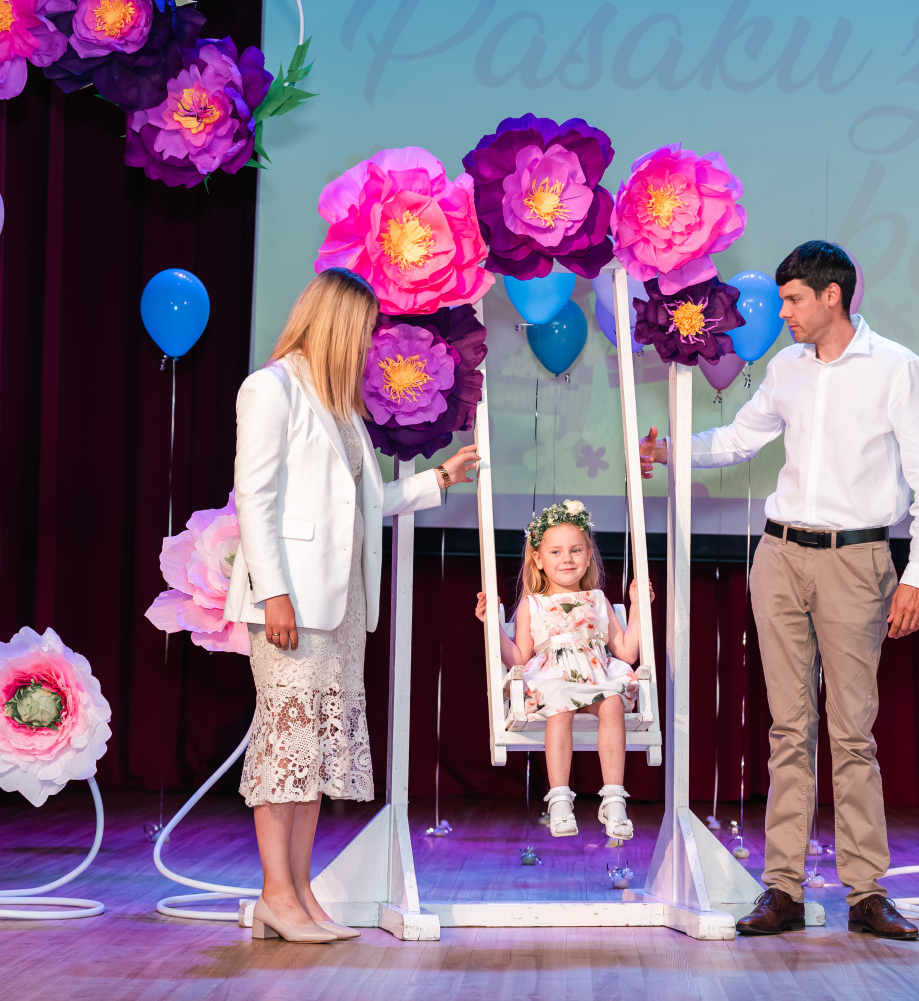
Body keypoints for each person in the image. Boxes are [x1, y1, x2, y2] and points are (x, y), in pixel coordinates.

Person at [640, 241, 919, 941]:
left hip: (856, 559)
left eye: (792, 300)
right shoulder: (786, 367)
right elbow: (740, 439)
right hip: (780, 556)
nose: (782, 313)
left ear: (831, 296)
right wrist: (670, 450)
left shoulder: (897, 367)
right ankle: (782, 887)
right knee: (787, 727)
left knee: (851, 731)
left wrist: (917, 578)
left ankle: (866, 891)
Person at [223, 267, 479, 943]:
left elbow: (364, 508)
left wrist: (438, 478)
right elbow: (255, 499)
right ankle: (276, 895)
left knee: (313, 752)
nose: (369, 346)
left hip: (339, 607)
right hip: (291, 603)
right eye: (364, 332)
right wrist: (274, 593)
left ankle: (300, 892)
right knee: (286, 746)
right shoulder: (272, 388)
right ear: (335, 324)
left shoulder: (340, 410)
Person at [474, 499, 652, 840]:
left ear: (588, 555)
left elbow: (627, 652)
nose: (566, 558)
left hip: (596, 679)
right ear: (538, 560)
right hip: (555, 681)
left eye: (575, 550)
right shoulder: (532, 604)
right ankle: (559, 800)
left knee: (613, 703)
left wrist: (637, 606)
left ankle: (614, 799)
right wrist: (491, 625)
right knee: (560, 706)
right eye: (555, 552)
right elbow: (519, 658)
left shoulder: (597, 599)